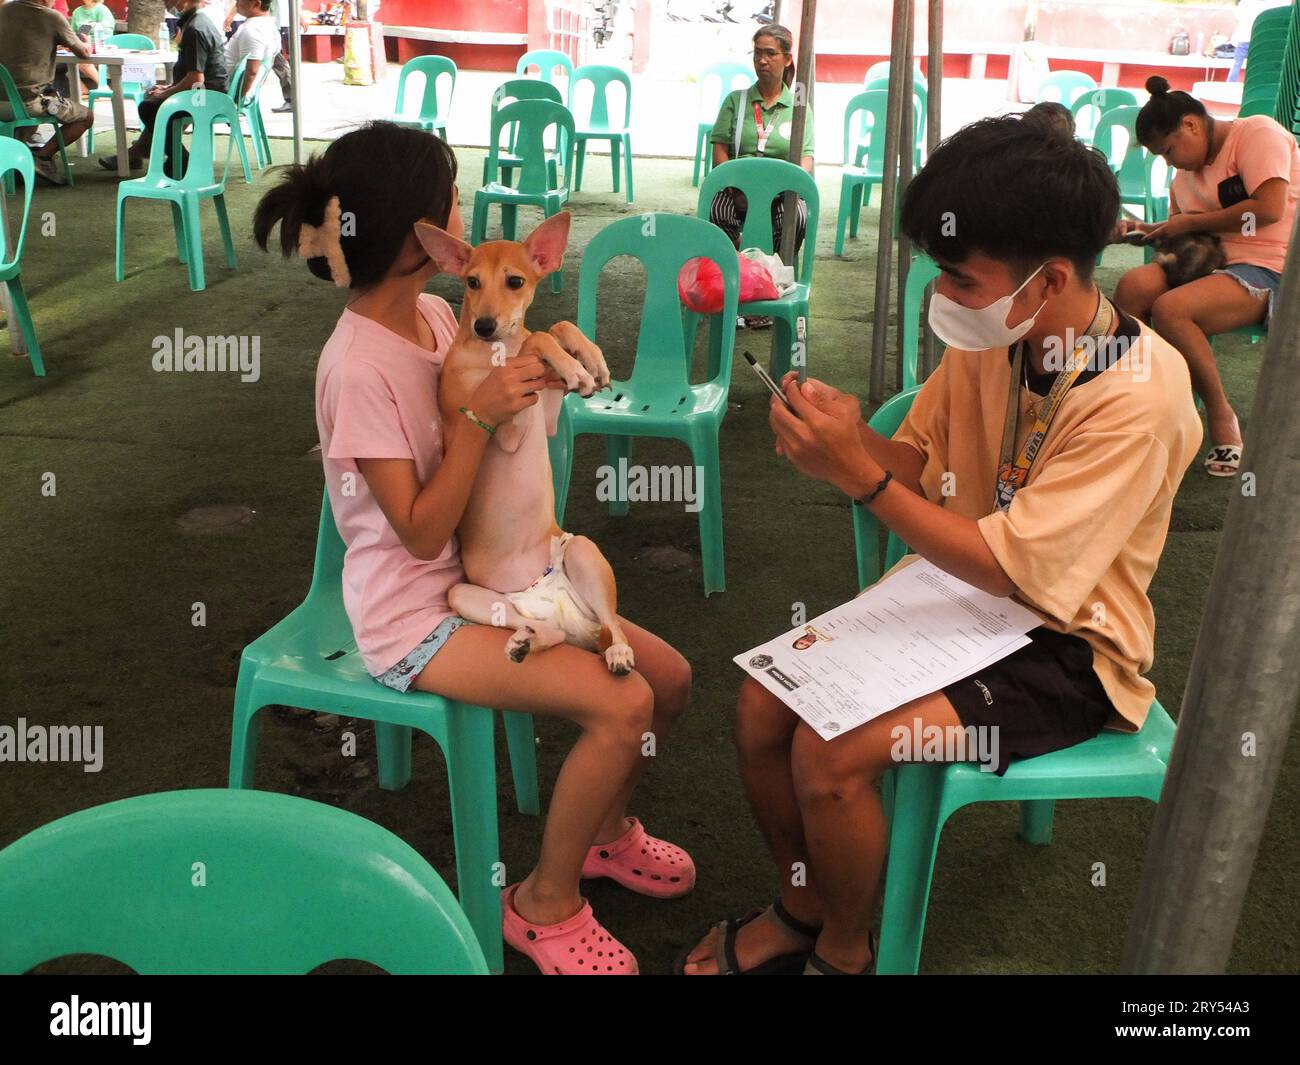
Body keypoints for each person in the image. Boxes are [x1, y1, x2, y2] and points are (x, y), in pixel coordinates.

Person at [677, 116, 1202, 975]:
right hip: (960, 596)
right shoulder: (999, 332)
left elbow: (1005, 563)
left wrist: (861, 477)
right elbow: (914, 466)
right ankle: (803, 905)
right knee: (760, 706)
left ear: (1052, 278)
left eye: (959, 275)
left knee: (832, 754)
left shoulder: (1140, 397)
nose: (944, 294)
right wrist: (842, 437)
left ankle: (844, 952)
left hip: (1068, 644)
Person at [252, 122, 694, 976]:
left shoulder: (431, 311)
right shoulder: (356, 368)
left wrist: (549, 342)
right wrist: (480, 415)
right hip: (413, 614)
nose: (465, 207)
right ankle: (539, 905)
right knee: (623, 704)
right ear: (429, 237)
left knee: (667, 680)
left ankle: (601, 832)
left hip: (492, 571)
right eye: (453, 194)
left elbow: (504, 359)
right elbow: (419, 528)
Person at [1112, 76, 1298, 476]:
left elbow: (1268, 209)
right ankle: (1144, 408)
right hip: (1210, 263)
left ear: (1191, 125)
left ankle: (1221, 419)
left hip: (1271, 266)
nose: (1169, 162)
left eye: (1169, 150)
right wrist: (1147, 229)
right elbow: (1185, 234)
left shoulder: (1257, 133)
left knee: (1171, 309)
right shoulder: (1184, 177)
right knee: (1133, 286)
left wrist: (1187, 224)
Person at [708, 22, 814, 327]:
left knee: (796, 217)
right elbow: (720, 149)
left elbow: (806, 159)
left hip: (779, 195)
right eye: (758, 54)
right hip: (736, 191)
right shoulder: (736, 102)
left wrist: (783, 187)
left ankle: (773, 293)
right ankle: (731, 291)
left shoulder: (797, 109)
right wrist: (731, 184)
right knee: (717, 211)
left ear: (787, 59)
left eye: (770, 54)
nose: (762, 61)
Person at [99, 0, 227, 177]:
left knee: (149, 107)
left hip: (205, 98)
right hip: (209, 92)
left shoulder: (195, 29)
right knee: (154, 99)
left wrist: (167, 92)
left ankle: (180, 159)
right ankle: (137, 153)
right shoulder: (198, 21)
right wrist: (169, 89)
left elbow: (195, 78)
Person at [0, 0, 95, 186]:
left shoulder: (4, 10)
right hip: (30, 103)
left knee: (23, 111)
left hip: (2, 100)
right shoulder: (51, 17)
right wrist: (86, 41)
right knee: (86, 117)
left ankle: (19, 159)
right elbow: (83, 53)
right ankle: (42, 157)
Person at [223, 0, 293, 109]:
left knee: (193, 82)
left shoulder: (252, 30)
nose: (236, 4)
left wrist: (240, 100)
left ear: (256, 4)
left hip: (221, 92)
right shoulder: (268, 27)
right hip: (224, 85)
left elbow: (252, 71)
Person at [1227, 0, 1290, 83]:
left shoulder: (1245, 3)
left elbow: (1237, 16)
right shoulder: (1266, 5)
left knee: (1237, 63)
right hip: (1258, 38)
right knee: (1256, 64)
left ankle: (1230, 82)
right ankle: (1255, 83)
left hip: (1243, 37)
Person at [70, 0, 114, 92]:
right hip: (81, 46)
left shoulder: (102, 9)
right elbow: (71, 32)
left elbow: (107, 32)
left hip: (99, 47)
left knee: (82, 63)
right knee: (68, 67)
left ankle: (104, 88)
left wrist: (89, 28)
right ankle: (84, 92)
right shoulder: (77, 11)